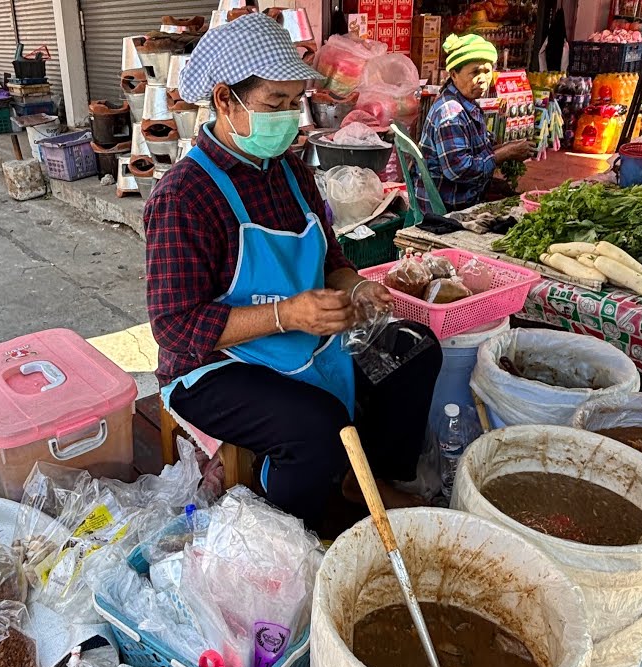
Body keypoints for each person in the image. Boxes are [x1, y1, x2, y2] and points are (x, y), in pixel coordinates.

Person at [144, 12, 442, 531]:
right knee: (315, 427)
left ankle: (366, 477)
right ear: (224, 100)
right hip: (212, 364)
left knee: (414, 348)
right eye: (273, 105)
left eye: (292, 103)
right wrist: (287, 315)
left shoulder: (291, 170)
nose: (289, 118)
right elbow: (175, 328)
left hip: (302, 338)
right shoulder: (183, 196)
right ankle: (281, 524)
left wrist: (356, 287)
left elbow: (330, 259)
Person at [414, 34, 535, 213]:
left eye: (487, 72)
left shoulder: (467, 103)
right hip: (447, 206)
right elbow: (459, 170)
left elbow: (477, 151)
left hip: (462, 195)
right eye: (475, 72)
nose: (482, 79)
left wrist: (507, 148)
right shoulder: (450, 113)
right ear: (454, 75)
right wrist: (505, 154)